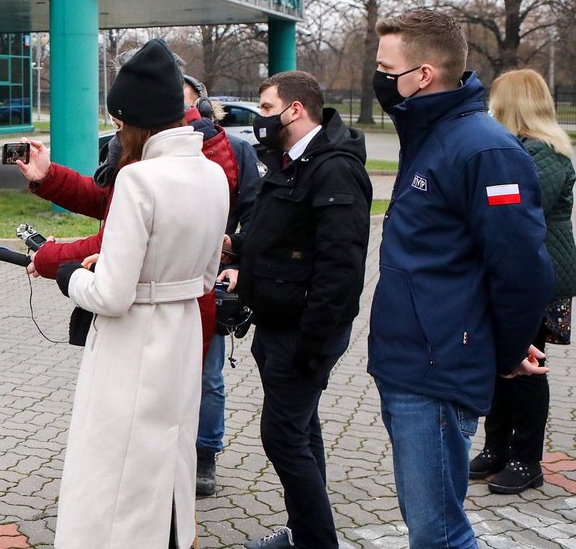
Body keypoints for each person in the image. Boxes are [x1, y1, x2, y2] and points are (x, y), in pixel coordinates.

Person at [367, 10, 555, 549]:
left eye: (387, 67)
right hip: (409, 362)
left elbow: (522, 268)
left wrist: (506, 344)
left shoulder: (483, 149)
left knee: (440, 535)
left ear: (422, 75)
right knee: (431, 527)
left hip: (438, 368)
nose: (379, 79)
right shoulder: (429, 135)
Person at [48, 38, 229, 549]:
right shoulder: (212, 173)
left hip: (134, 343)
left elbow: (111, 296)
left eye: (120, 122)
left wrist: (69, 276)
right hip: (185, 331)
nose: (117, 132)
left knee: (114, 474)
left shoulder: (139, 180)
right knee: (167, 459)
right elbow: (204, 266)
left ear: (135, 121)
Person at [220, 70, 372, 549]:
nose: (260, 118)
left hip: (302, 333)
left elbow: (341, 269)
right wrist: (237, 249)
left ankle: (316, 541)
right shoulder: (289, 162)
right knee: (302, 432)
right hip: (278, 326)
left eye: (266, 108)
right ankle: (307, 532)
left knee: (283, 437)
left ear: (295, 109)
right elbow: (279, 237)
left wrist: (312, 342)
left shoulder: (334, 168)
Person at [469, 68, 576, 494]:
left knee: (528, 364)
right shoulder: (518, 149)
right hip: (516, 272)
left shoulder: (545, 154)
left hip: (539, 275)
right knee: (503, 363)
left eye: (497, 100)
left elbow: (510, 203)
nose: (490, 110)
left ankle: (526, 458)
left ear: (513, 104)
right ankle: (496, 447)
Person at [181, 74, 262, 497]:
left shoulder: (237, 152)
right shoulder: (144, 151)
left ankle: (204, 454)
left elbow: (257, 213)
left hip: (212, 280)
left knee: (208, 375)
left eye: (188, 103)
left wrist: (238, 257)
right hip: (161, 283)